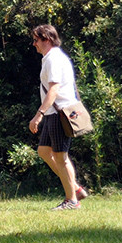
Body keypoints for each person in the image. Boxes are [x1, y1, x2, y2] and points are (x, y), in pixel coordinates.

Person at [28, 24, 89, 210]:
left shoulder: (53, 59)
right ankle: (75, 188)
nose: (34, 44)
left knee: (61, 157)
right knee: (44, 152)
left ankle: (72, 201)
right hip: (54, 112)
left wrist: (38, 115)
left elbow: (54, 89)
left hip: (59, 112)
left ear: (46, 39)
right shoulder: (51, 58)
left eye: (36, 40)